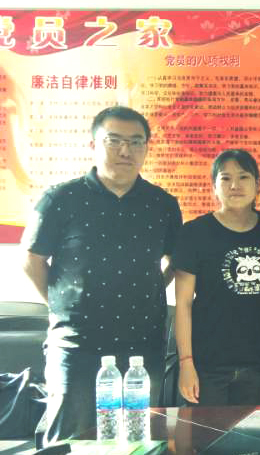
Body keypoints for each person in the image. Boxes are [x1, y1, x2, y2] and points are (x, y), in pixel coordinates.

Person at [21, 105, 182, 443]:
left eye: (136, 142)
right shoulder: (60, 198)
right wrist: (60, 306)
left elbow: (175, 260)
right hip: (76, 345)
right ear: (93, 144)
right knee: (70, 440)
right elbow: (32, 260)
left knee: (139, 439)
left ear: (146, 148)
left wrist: (155, 288)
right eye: (114, 140)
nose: (126, 150)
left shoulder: (163, 204)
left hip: (143, 345)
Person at [173, 149, 260, 406]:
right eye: (225, 178)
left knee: (252, 433)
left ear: (257, 184)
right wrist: (186, 362)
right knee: (207, 432)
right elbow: (183, 304)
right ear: (214, 187)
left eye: (243, 177)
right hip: (207, 363)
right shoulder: (194, 232)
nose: (234, 185)